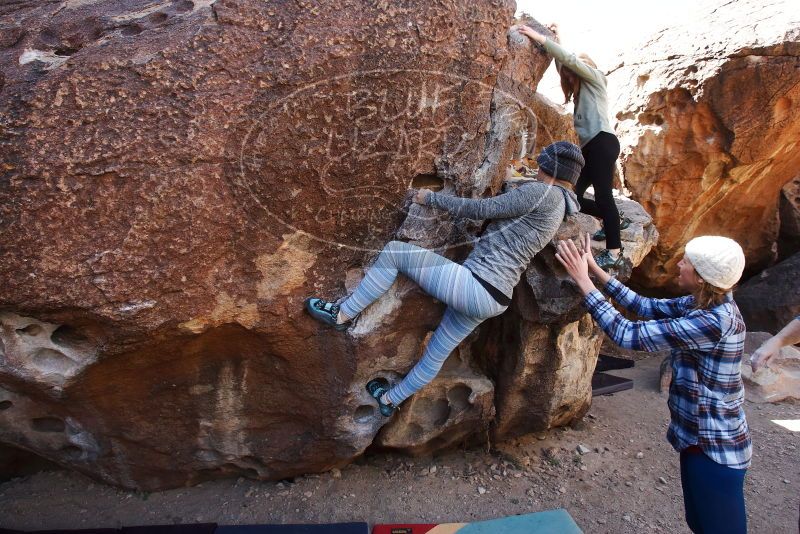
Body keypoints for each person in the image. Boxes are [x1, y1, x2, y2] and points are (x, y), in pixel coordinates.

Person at [305, 141, 584, 417]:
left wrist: (430, 198)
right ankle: (389, 400)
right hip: (494, 298)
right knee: (436, 354)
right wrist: (513, 182)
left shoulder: (541, 193)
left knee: (394, 253)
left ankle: (342, 314)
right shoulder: (559, 204)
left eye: (541, 163)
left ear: (550, 166)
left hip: (476, 284)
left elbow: (483, 210)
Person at [555, 234, 750, 534]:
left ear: (701, 279)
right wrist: (593, 268)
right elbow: (644, 306)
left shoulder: (715, 321)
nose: (680, 263)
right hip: (697, 440)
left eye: (688, 262)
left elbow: (628, 334)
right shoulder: (705, 301)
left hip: (715, 449)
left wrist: (583, 282)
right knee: (700, 524)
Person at [516, 23, 629, 271]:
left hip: (602, 142)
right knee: (575, 195)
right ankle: (616, 220)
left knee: (603, 195)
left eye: (572, 72)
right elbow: (562, 62)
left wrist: (539, 37)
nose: (568, 76)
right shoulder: (580, 91)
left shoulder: (596, 79)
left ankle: (614, 252)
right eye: (566, 75)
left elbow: (568, 59)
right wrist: (556, 37)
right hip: (591, 147)